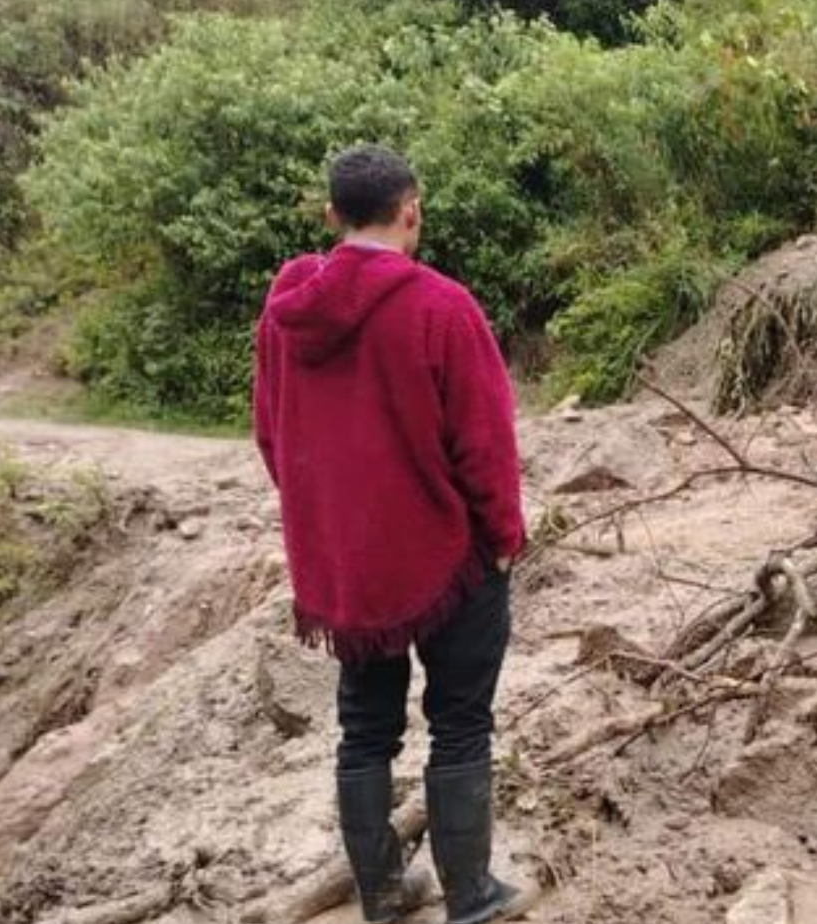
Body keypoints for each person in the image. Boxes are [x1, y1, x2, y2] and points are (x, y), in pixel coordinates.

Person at [253, 144, 531, 924]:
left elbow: (272, 439)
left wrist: (334, 521)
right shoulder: (442, 306)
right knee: (461, 721)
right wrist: (504, 535)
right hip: (448, 560)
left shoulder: (284, 316)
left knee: (365, 728)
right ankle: (470, 896)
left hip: (344, 569)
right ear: (411, 210)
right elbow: (485, 444)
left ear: (331, 216)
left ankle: (381, 895)